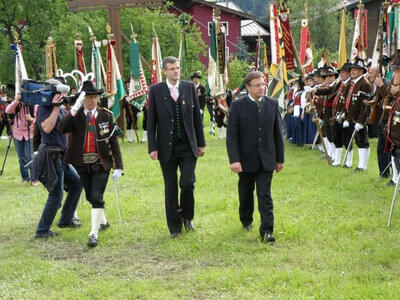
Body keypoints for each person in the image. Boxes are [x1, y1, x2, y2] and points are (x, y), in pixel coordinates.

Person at [58, 81, 123, 247]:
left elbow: (113, 142)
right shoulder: (75, 114)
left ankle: (93, 234)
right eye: (88, 98)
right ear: (82, 99)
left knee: (96, 196)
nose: (92, 101)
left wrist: (119, 166)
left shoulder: (106, 115)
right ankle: (103, 221)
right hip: (81, 164)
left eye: (95, 97)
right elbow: (61, 128)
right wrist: (73, 110)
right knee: (89, 196)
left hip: (101, 163)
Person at [147, 56, 205, 238]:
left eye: (178, 68)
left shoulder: (188, 87)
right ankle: (174, 227)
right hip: (167, 147)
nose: (176, 71)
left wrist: (201, 143)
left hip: (188, 146)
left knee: (187, 182)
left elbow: (196, 117)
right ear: (164, 71)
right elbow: (151, 122)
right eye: (172, 69)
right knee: (171, 187)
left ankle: (187, 216)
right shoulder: (156, 90)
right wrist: (152, 147)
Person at [226, 71, 284, 243]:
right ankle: (246, 219)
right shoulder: (237, 106)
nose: (262, 87)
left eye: (263, 84)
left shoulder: (272, 105)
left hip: (267, 158)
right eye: (257, 85)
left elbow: (277, 134)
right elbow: (232, 136)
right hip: (245, 160)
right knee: (245, 192)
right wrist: (234, 159)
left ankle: (267, 231)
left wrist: (280, 159)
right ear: (248, 87)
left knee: (264, 194)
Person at [32, 79, 82, 239]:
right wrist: (54, 108)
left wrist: (73, 106)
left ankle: (66, 219)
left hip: (62, 154)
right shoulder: (44, 108)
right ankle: (42, 231)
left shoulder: (60, 108)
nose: (64, 96)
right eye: (61, 94)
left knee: (76, 183)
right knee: (56, 194)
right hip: (52, 155)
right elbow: (46, 128)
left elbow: (67, 125)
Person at [5, 93, 36, 183]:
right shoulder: (16, 104)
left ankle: (34, 178)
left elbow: (38, 120)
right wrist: (17, 101)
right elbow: (7, 111)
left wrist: (31, 119)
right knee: (21, 157)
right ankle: (25, 178)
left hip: (29, 132)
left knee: (30, 156)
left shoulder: (33, 104)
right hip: (17, 133)